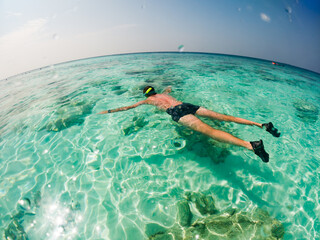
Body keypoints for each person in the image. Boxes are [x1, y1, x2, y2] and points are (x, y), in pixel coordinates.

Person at [98, 86, 280, 162]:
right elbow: (168, 88)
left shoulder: (147, 101)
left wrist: (108, 111)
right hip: (185, 105)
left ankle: (250, 146)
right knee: (223, 117)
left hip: (176, 112)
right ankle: (260, 124)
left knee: (210, 131)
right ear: (155, 91)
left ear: (146, 95)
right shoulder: (164, 94)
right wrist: (168, 87)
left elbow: (128, 107)